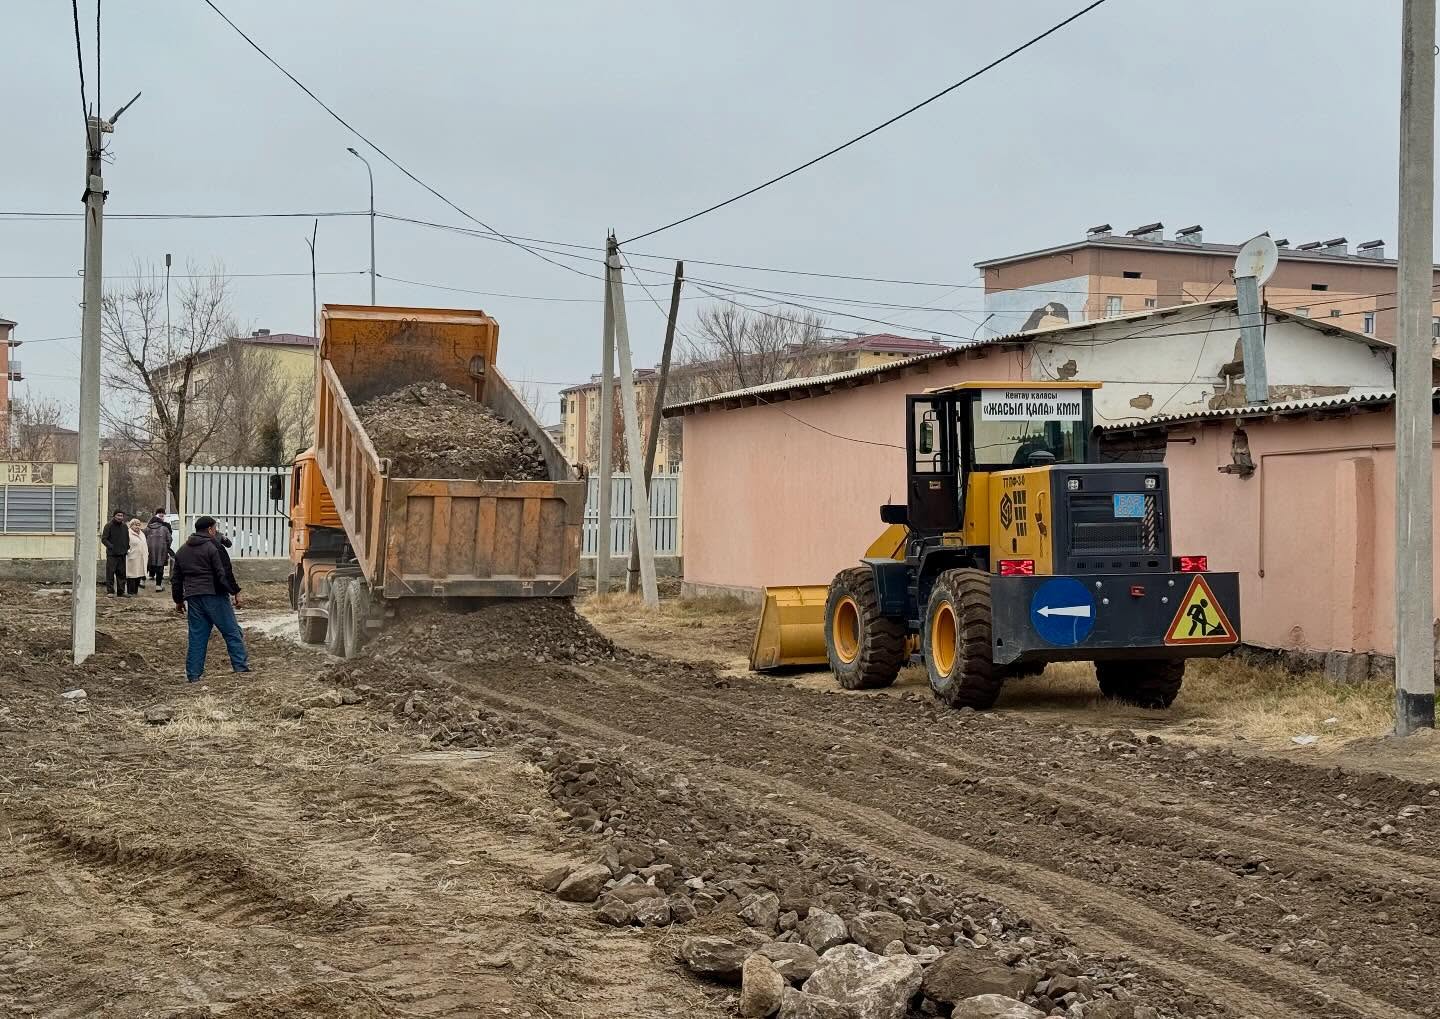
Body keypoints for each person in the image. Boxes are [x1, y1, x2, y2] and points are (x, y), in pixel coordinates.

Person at [172, 515, 250, 682]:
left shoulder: (182, 550)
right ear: (209, 529)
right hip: (214, 595)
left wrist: (178, 600)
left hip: (193, 598)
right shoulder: (213, 546)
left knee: (197, 637)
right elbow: (224, 571)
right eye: (215, 528)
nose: (216, 532)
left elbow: (176, 579)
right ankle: (241, 669)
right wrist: (235, 592)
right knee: (232, 632)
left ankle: (193, 675)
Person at [100, 510, 129, 597]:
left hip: (122, 554)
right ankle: (110, 591)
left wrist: (127, 547)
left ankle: (121, 591)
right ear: (114, 516)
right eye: (118, 515)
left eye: (121, 515)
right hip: (112, 554)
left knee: (122, 574)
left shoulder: (124, 527)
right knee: (110, 573)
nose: (120, 517)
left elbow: (127, 538)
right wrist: (111, 547)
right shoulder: (108, 526)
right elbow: (104, 539)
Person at [145, 509, 174, 591]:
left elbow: (143, 537)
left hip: (149, 550)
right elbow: (169, 539)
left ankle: (142, 581)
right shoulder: (164, 528)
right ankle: (158, 585)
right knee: (160, 566)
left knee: (147, 563)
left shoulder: (148, 528)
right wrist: (166, 546)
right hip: (162, 549)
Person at [125, 518, 149, 596]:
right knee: (131, 575)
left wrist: (146, 553)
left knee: (139, 574)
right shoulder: (128, 533)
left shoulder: (142, 534)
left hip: (141, 558)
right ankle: (130, 592)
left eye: (139, 525)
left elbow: (144, 544)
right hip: (132, 557)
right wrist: (128, 552)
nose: (137, 527)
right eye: (135, 525)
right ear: (131, 525)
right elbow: (125, 544)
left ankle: (135, 591)